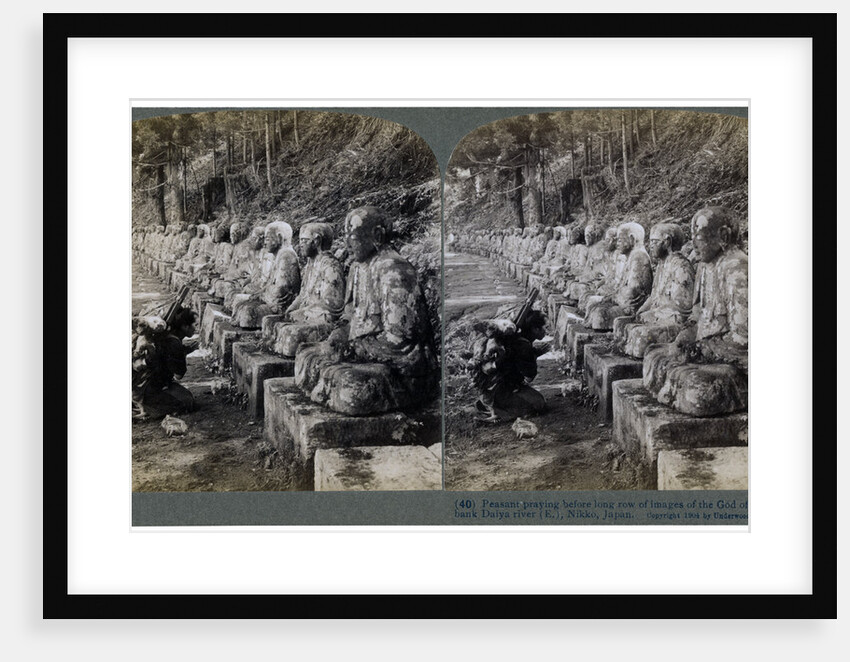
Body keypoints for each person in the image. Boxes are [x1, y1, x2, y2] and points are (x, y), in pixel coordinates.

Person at [469, 310, 548, 423]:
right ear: (535, 329)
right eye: (545, 327)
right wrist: (534, 355)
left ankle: (490, 404)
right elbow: (529, 375)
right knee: (539, 404)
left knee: (533, 398)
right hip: (500, 390)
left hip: (491, 388)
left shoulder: (517, 338)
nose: (547, 331)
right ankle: (499, 411)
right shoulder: (523, 345)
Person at [132, 307, 198, 420]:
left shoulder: (167, 336)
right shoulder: (174, 343)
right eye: (195, 325)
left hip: (145, 384)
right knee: (188, 402)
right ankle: (147, 408)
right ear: (185, 326)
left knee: (186, 397)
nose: (196, 329)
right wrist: (183, 354)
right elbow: (178, 375)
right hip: (150, 388)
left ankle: (141, 403)